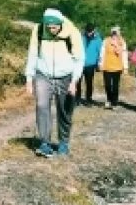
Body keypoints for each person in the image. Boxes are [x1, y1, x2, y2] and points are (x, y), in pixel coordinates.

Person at [25, 8, 84, 157]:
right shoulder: (38, 30)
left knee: (64, 110)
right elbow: (32, 53)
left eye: (54, 27)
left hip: (66, 76)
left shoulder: (72, 32)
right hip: (43, 74)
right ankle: (45, 143)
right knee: (41, 106)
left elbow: (79, 58)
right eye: (49, 27)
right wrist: (29, 78)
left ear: (60, 24)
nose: (51, 30)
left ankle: (63, 142)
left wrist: (74, 81)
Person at [99, 26, 128, 110]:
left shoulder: (122, 42)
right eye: (113, 33)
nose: (115, 35)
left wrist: (125, 67)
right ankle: (109, 100)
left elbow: (124, 55)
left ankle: (114, 102)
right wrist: (100, 63)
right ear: (111, 33)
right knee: (107, 85)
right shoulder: (106, 41)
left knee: (115, 86)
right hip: (107, 66)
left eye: (116, 33)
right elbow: (102, 53)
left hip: (117, 67)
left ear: (119, 33)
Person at [75, 23, 103, 105]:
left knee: (89, 82)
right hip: (80, 63)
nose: (89, 33)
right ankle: (77, 98)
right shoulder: (81, 37)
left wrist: (98, 63)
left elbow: (100, 52)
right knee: (78, 82)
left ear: (94, 30)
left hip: (91, 64)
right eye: (88, 31)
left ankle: (88, 99)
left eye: (90, 31)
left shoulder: (98, 39)